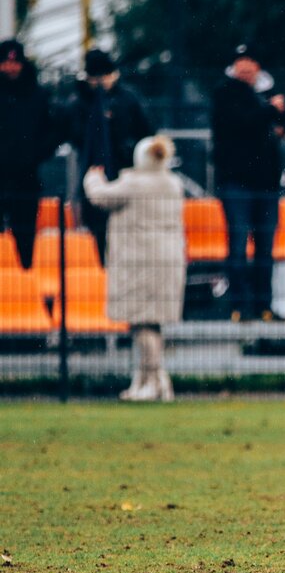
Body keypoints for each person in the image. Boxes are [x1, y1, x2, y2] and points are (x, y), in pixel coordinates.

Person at [84, 135, 185, 401]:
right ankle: (149, 380)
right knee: (152, 322)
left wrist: (93, 177)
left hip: (140, 260)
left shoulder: (134, 183)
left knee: (141, 323)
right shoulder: (173, 184)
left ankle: (153, 381)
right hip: (168, 261)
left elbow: (100, 196)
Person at [211, 44, 285, 322]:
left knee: (265, 247)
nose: (245, 66)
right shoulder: (224, 94)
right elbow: (240, 124)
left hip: (266, 183)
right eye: (240, 61)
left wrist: (279, 114)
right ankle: (240, 305)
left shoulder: (267, 91)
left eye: (250, 61)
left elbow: (282, 124)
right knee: (238, 243)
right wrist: (270, 111)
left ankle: (263, 305)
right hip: (236, 182)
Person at [65, 48, 153, 264]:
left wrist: (125, 145)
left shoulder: (127, 99)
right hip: (96, 174)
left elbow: (146, 132)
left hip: (125, 174)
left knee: (126, 232)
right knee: (99, 230)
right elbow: (74, 134)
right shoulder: (80, 102)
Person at [0, 39, 60, 270]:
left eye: (14, 62)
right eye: (5, 62)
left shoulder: (38, 95)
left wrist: (34, 154)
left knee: (25, 231)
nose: (10, 68)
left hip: (26, 175)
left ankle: (25, 275)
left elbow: (52, 131)